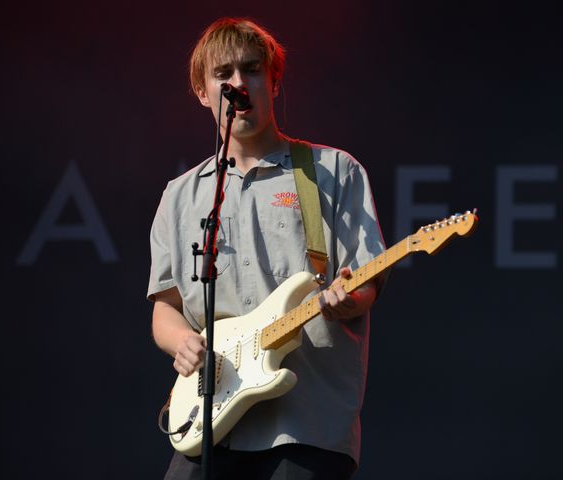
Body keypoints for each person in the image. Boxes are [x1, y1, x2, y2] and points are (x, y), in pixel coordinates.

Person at [147, 17, 385, 479]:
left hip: (305, 425)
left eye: (252, 69)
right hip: (209, 417)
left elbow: (366, 280)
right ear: (202, 91)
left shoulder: (333, 171)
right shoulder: (180, 195)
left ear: (274, 82)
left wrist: (347, 298)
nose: (239, 83)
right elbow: (165, 307)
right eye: (224, 74)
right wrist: (183, 343)